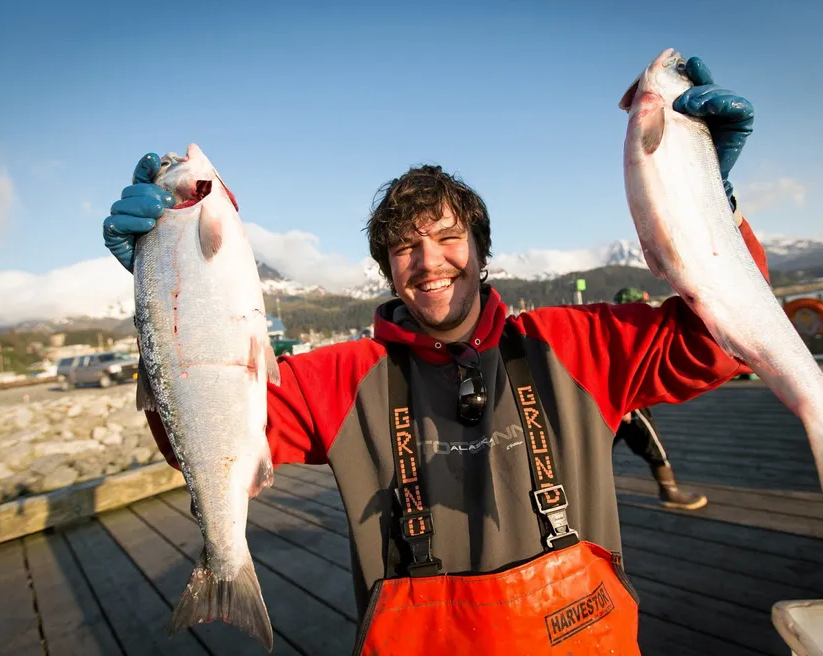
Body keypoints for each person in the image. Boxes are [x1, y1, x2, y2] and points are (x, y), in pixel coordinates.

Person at [103, 57, 760, 654]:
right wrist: (169, 302)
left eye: (448, 237)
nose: (429, 262)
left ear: (480, 248)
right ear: (387, 269)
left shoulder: (570, 345)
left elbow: (715, 345)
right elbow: (204, 420)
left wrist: (711, 214)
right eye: (404, 248)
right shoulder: (341, 379)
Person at [611, 287, 708, 511]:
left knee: (598, 449)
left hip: (624, 401)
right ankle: (669, 491)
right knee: (652, 445)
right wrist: (622, 404)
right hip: (627, 402)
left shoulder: (621, 326)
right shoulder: (627, 328)